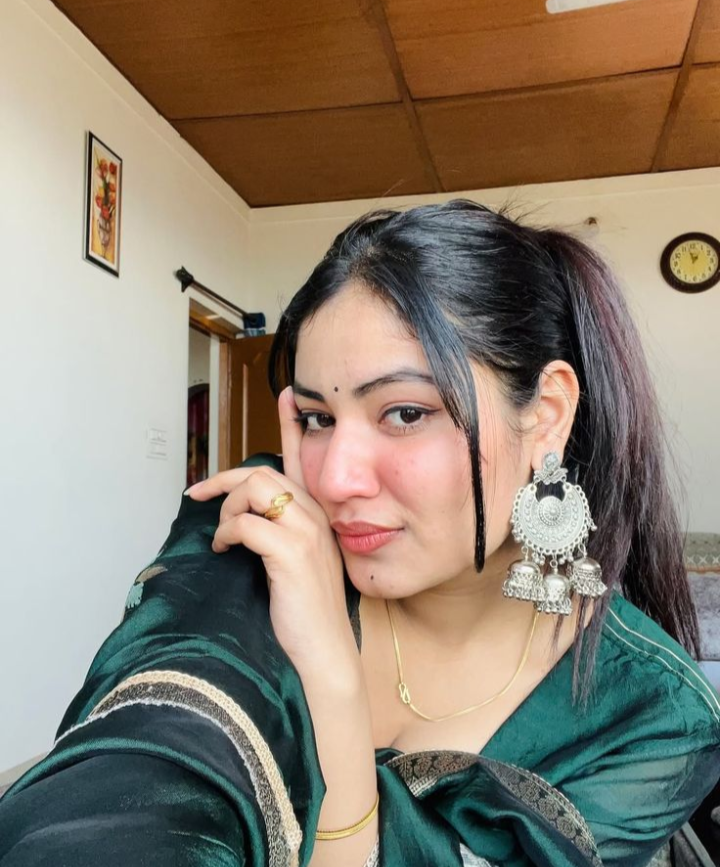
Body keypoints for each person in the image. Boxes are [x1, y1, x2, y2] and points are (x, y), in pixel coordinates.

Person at [1, 200, 718, 867]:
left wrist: (331, 679)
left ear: (547, 414)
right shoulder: (266, 524)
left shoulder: (656, 719)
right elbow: (142, 762)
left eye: (405, 413)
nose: (336, 478)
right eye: (317, 418)